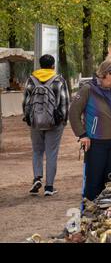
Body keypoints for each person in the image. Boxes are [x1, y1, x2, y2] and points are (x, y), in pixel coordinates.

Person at [69, 59, 111, 201]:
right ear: (106, 74)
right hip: (96, 142)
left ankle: (109, 216)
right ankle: (90, 215)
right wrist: (82, 134)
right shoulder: (88, 89)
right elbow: (73, 113)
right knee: (94, 181)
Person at [22, 54, 69, 196]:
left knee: (37, 151)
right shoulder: (59, 80)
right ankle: (49, 187)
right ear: (53, 65)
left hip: (36, 122)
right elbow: (65, 102)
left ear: (40, 65)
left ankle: (37, 177)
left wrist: (28, 118)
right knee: (51, 153)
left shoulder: (31, 79)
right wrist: (64, 120)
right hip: (54, 123)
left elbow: (25, 101)